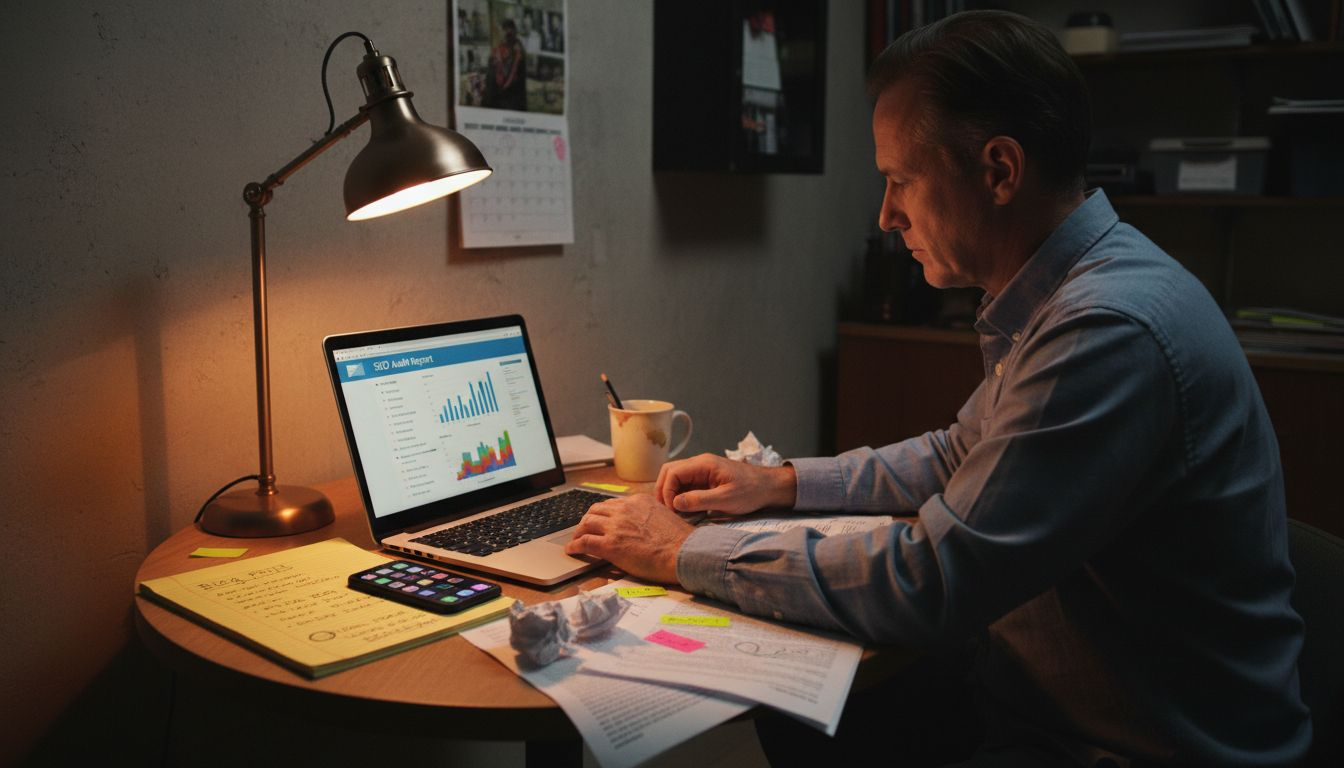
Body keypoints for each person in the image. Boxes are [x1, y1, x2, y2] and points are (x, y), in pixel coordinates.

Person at [566, 10, 1311, 767]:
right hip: (1043, 697)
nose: (888, 216)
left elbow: (934, 579)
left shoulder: (1105, 330)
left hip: (1125, 746)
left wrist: (687, 550)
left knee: (816, 702)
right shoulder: (1073, 290)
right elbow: (962, 452)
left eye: (900, 181)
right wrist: (776, 483)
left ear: (999, 171)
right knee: (804, 711)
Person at [487, 18, 526, 111]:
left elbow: (515, 73)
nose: (504, 34)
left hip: (511, 99)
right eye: (503, 30)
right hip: (498, 98)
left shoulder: (518, 50)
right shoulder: (499, 49)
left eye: (507, 31)